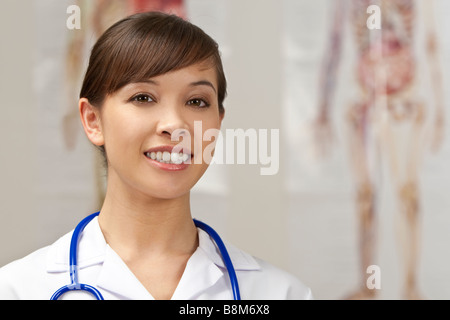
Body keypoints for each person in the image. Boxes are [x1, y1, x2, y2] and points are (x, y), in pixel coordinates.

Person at [0, 12, 312, 300]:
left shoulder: (279, 294)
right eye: (143, 97)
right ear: (94, 121)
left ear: (218, 123)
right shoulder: (18, 289)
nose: (175, 124)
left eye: (197, 101)